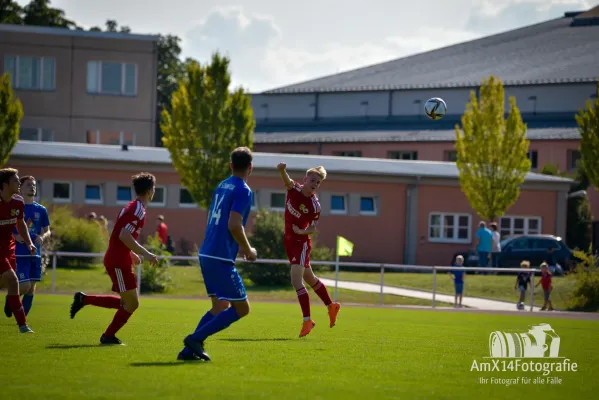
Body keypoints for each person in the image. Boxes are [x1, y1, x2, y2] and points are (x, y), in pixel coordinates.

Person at [181, 147, 257, 361]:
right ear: (250, 167)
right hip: (221, 257)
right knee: (242, 308)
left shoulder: (221, 185)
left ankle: (189, 351)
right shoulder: (243, 190)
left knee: (219, 305)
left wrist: (239, 245)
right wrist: (248, 248)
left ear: (230, 165)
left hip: (207, 252)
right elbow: (234, 224)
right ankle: (195, 339)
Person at [69, 173, 158, 345]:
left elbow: (119, 233)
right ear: (150, 190)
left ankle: (84, 299)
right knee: (132, 304)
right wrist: (145, 253)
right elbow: (124, 235)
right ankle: (108, 336)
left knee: (128, 302)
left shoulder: (132, 207)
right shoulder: (137, 209)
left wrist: (131, 253)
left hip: (120, 258)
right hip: (118, 261)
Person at [276, 161, 340, 338]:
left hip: (301, 242)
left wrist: (302, 231)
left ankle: (307, 321)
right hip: (289, 241)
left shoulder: (315, 205)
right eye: (312, 180)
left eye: (318, 182)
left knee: (296, 281)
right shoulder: (294, 189)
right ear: (305, 179)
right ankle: (331, 306)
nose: (315, 184)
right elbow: (287, 181)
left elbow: (313, 228)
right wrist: (282, 170)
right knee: (310, 278)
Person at [5, 176, 51, 317]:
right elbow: (5, 226)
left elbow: (48, 230)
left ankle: (22, 320)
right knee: (24, 286)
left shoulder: (41, 210)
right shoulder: (14, 206)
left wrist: (42, 236)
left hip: (35, 253)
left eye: (34, 185)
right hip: (19, 253)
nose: (32, 187)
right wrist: (15, 236)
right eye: (28, 184)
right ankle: (10, 298)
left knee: (31, 289)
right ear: (21, 188)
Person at [0, 168, 36, 333]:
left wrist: (29, 243)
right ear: (5, 184)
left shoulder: (18, 202)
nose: (18, 183)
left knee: (8, 283)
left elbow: (20, 223)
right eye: (15, 181)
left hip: (9, 247)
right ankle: (23, 325)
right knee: (13, 280)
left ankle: (20, 321)